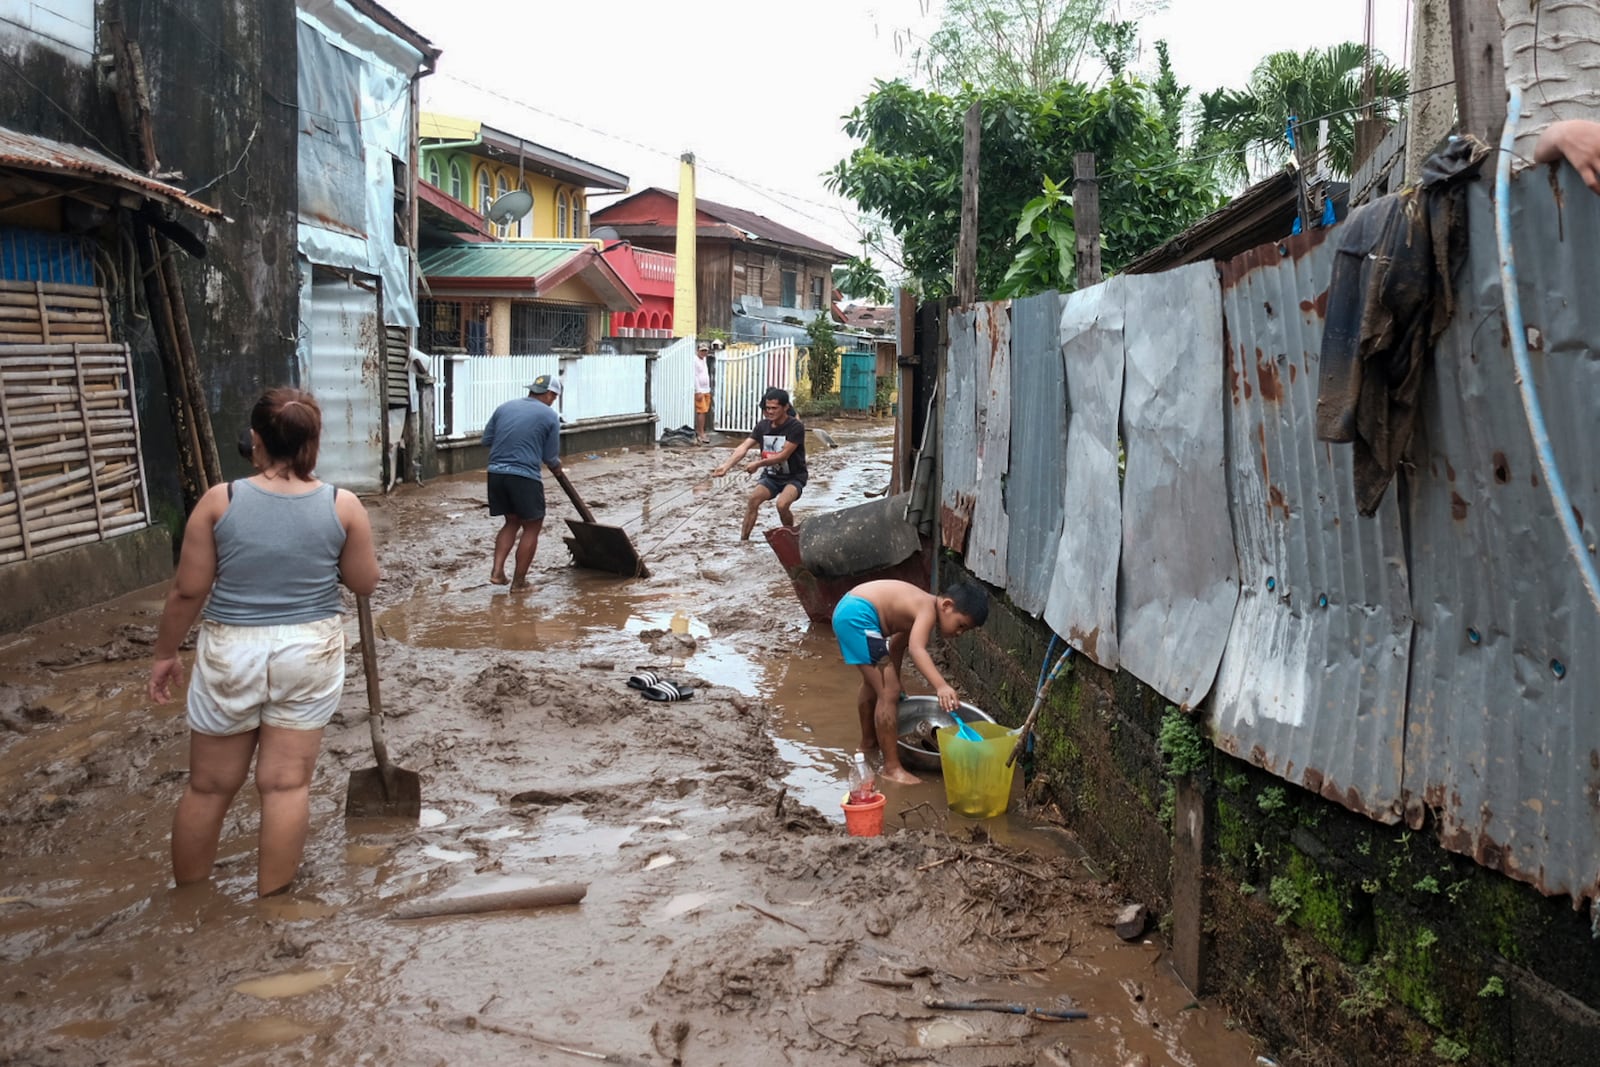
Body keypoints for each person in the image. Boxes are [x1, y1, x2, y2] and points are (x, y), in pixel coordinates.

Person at [147, 387, 380, 897]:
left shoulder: (218, 500)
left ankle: (190, 903)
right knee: (286, 785)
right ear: (314, 441)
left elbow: (188, 590)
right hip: (309, 650)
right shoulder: (344, 506)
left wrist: (166, 653)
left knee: (208, 787)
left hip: (232, 648)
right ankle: (272, 905)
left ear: (255, 439)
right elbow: (364, 583)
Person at [831, 579, 989, 785]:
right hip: (857, 616)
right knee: (888, 691)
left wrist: (894, 679)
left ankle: (868, 744)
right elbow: (917, 649)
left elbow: (896, 647)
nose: (959, 633)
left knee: (878, 684)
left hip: (851, 610)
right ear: (947, 605)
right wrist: (941, 685)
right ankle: (891, 768)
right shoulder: (927, 610)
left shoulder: (918, 607)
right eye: (961, 625)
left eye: (964, 631)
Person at [482, 373, 563, 591]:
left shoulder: (505, 407)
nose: (552, 401)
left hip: (496, 474)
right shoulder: (550, 416)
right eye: (553, 397)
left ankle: (497, 572)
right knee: (532, 526)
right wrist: (557, 467)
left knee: (511, 521)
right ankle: (519, 583)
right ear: (549, 394)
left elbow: (487, 440)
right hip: (524, 476)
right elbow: (550, 456)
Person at [711, 386, 806, 540]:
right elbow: (744, 447)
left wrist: (758, 464)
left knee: (782, 505)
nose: (770, 412)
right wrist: (726, 466)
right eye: (767, 408)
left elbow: (783, 456)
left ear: (785, 407)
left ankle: (791, 536)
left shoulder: (795, 426)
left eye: (774, 408)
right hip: (771, 476)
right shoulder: (762, 426)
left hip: (794, 477)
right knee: (753, 500)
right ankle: (744, 540)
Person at [693, 342, 713, 444]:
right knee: (701, 411)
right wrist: (698, 391)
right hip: (700, 390)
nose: (704, 352)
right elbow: (695, 376)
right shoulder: (695, 360)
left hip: (706, 389)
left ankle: (702, 431)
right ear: (698, 351)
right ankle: (700, 432)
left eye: (705, 350)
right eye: (702, 351)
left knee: (705, 411)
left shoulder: (704, 359)